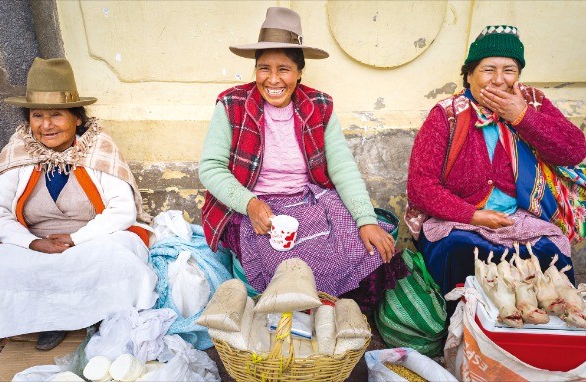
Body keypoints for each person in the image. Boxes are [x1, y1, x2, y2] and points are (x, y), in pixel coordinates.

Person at [199, 7, 407, 311]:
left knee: (364, 244)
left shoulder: (318, 106)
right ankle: (289, 323)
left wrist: (365, 220)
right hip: (252, 205)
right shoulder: (232, 104)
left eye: (283, 69)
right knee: (287, 266)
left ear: (299, 72)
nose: (272, 79)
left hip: (308, 200)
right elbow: (210, 168)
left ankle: (326, 319)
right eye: (263, 68)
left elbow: (343, 169)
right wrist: (250, 204)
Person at [0, 58, 157, 350]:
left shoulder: (98, 148)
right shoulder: (18, 153)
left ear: (77, 118)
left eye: (56, 115)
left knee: (115, 257)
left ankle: (100, 317)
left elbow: (122, 210)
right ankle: (50, 321)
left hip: (93, 239)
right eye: (37, 116)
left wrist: (75, 238)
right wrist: (32, 243)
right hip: (36, 242)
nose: (46, 125)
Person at [406, 25, 586, 315]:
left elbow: (574, 150)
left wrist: (522, 116)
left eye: (510, 70)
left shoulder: (533, 103)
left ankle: (546, 338)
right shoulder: (446, 114)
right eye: (488, 70)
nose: (499, 80)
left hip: (522, 218)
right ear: (469, 74)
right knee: (461, 251)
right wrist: (473, 215)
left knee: (551, 254)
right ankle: (465, 335)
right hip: (459, 219)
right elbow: (420, 186)